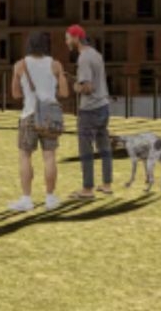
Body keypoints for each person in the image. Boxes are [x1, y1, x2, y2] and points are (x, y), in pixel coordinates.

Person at [7, 32, 70, 212]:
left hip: (29, 114)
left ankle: (27, 199)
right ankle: (50, 198)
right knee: (49, 157)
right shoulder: (55, 64)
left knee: (25, 156)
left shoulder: (20, 65)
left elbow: (16, 94)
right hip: (50, 116)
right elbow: (64, 93)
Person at [65, 25, 113, 200]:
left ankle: (87, 189)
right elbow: (96, 81)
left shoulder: (83, 58)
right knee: (104, 147)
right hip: (104, 106)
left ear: (76, 37)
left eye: (68, 38)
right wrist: (78, 80)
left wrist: (75, 86)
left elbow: (88, 87)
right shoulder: (96, 54)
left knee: (86, 149)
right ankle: (107, 185)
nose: (66, 42)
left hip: (90, 110)